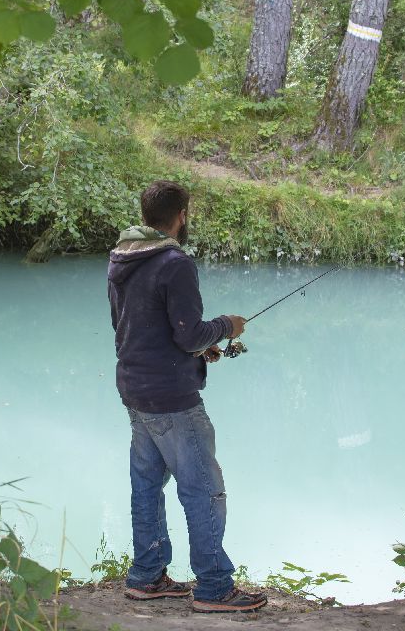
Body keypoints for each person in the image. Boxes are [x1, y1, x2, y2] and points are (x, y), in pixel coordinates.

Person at [107, 180, 267, 614]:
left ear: (146, 215)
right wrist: (226, 327)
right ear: (182, 215)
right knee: (203, 490)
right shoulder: (174, 262)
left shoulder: (121, 257)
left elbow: (141, 327)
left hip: (136, 389)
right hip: (172, 399)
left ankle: (146, 576)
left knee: (147, 484)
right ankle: (215, 587)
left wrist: (197, 347)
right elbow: (190, 332)